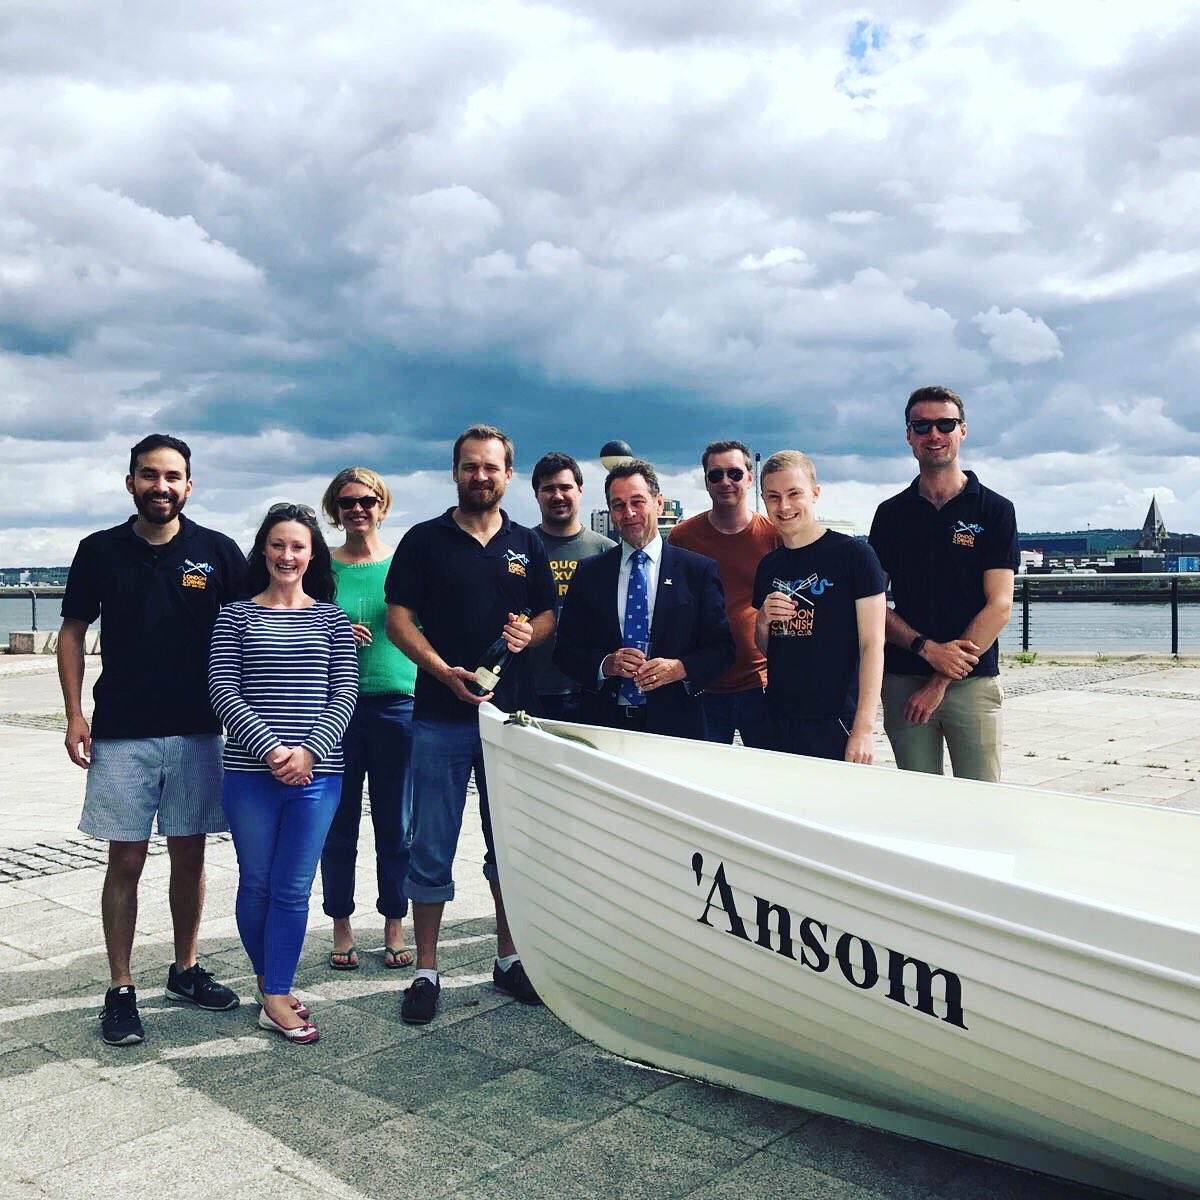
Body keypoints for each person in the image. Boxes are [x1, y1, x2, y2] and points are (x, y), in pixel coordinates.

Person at [58, 434, 245, 1046]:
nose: (160, 486)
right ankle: (119, 986)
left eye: (172, 477)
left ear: (189, 485)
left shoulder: (216, 551)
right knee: (127, 859)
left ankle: (185, 970)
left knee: (190, 857)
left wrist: (324, 623)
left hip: (198, 728)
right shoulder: (100, 551)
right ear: (131, 481)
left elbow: (259, 616)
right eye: (149, 475)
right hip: (123, 731)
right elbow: (72, 632)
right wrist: (74, 715)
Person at [385, 424, 556, 1026]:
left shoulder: (526, 544)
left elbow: (546, 615)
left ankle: (509, 959)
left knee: (506, 843)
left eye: (491, 467)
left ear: (508, 475)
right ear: (455, 472)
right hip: (439, 716)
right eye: (470, 467)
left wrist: (527, 633)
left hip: (510, 720)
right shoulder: (424, 540)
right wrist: (438, 669)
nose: (480, 477)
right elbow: (397, 619)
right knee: (430, 846)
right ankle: (426, 971)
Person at [209, 504, 357, 1043]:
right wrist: (271, 750)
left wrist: (311, 751)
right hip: (251, 775)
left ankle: (274, 988)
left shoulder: (332, 619)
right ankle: (272, 989)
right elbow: (224, 690)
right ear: (263, 551)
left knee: (293, 888)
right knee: (257, 883)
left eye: (297, 546)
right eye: (277, 545)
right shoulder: (235, 616)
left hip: (319, 776)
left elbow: (345, 693)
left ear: (312, 553)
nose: (287, 555)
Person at [868, 386, 1018, 781]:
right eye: (922, 426)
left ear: (962, 431)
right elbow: (871, 603)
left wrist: (939, 680)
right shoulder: (890, 515)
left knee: (982, 800)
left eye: (944, 424)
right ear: (909, 436)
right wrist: (925, 648)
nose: (933, 434)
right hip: (903, 680)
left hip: (972, 682)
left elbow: (999, 605)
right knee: (920, 806)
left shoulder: (995, 510)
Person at [317, 468, 418, 972]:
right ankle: (340, 921)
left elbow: (426, 628)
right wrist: (329, 628)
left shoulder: (403, 564)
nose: (357, 509)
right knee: (338, 825)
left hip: (397, 703)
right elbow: (294, 621)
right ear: (335, 510)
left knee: (395, 823)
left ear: (382, 504)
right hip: (336, 708)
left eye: (366, 500)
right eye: (346, 502)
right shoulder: (322, 568)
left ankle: (395, 920)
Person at [553, 460, 735, 739]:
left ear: (658, 503)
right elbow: (564, 651)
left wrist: (680, 668)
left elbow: (723, 650)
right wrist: (605, 664)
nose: (629, 513)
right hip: (605, 725)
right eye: (618, 505)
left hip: (676, 726)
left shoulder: (697, 571)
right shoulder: (589, 573)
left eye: (638, 502)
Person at [753, 452, 886, 762]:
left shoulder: (854, 556)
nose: (783, 506)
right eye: (773, 497)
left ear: (814, 493)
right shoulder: (769, 566)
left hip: (835, 718)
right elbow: (768, 649)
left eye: (793, 494)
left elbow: (873, 645)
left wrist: (864, 728)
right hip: (777, 716)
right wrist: (762, 620)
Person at [669, 439, 780, 747]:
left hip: (760, 684)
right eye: (715, 475)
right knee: (703, 781)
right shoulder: (682, 537)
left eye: (734, 473)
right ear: (706, 482)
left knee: (767, 777)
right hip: (704, 686)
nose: (725, 482)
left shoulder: (772, 536)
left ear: (749, 477)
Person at [528, 451, 615, 721]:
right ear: (537, 495)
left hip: (590, 687)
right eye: (548, 489)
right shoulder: (522, 548)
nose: (558, 496)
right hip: (533, 688)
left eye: (565, 487)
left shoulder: (607, 550)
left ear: (580, 490)